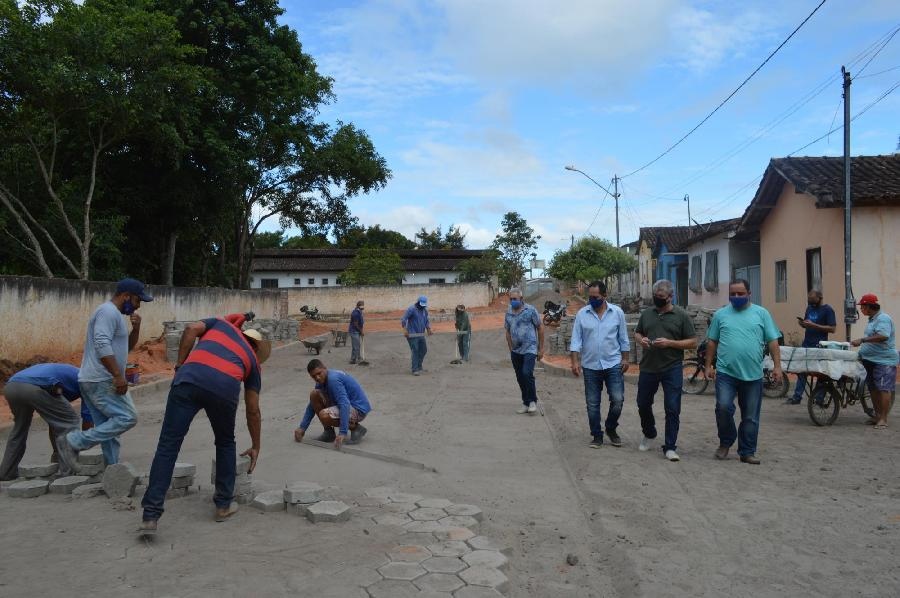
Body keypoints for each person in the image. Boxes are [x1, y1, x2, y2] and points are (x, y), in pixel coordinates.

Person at [139, 313, 269, 533]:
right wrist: (256, 445)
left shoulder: (220, 324)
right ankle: (223, 506)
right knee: (226, 442)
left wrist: (180, 366)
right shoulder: (253, 362)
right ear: (256, 348)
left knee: (168, 446)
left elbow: (190, 329)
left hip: (188, 379)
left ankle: (150, 516)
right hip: (224, 389)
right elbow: (253, 410)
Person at [56, 278, 152, 473]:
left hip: (95, 378)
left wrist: (136, 329)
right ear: (126, 296)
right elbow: (101, 344)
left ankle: (112, 470)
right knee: (127, 418)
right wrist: (118, 375)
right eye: (136, 300)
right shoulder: (107, 312)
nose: (138, 306)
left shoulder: (114, 315)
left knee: (108, 427)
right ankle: (73, 441)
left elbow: (126, 348)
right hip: (102, 379)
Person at [705, 279, 783, 465]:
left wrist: (777, 366)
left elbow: (773, 341)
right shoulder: (721, 315)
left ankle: (747, 452)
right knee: (723, 408)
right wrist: (708, 365)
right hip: (726, 372)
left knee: (750, 416)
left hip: (753, 374)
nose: (736, 297)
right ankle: (726, 441)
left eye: (740, 293)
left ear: (749, 294)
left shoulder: (761, 314)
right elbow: (712, 341)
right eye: (733, 294)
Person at [634, 280, 697, 461]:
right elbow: (638, 333)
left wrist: (670, 343)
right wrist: (641, 340)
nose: (657, 300)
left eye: (661, 297)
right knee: (643, 403)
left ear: (671, 297)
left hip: (672, 367)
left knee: (672, 407)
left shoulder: (681, 316)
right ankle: (649, 432)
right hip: (648, 367)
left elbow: (692, 341)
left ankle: (670, 446)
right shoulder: (647, 314)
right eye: (655, 296)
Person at [569, 281, 630, 448]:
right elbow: (576, 340)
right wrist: (574, 362)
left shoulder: (617, 313)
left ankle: (611, 428)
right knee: (593, 403)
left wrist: (625, 359)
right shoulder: (582, 314)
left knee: (617, 400)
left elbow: (623, 338)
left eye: (595, 297)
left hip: (613, 364)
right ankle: (596, 435)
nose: (592, 300)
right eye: (590, 297)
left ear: (604, 296)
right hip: (590, 366)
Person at [0, 363, 83, 480]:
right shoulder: (87, 380)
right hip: (35, 388)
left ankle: (6, 472)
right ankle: (68, 476)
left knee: (19, 429)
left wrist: (56, 452)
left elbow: (54, 421)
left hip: (11, 387)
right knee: (70, 421)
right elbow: (87, 416)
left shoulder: (70, 373)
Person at [294, 359, 372, 448]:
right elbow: (312, 404)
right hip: (347, 405)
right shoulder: (321, 381)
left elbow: (344, 404)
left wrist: (343, 432)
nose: (317, 378)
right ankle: (329, 433)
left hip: (358, 410)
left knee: (324, 415)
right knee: (314, 395)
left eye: (319, 373)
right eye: (314, 376)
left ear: (325, 368)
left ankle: (356, 428)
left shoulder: (333, 379)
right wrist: (302, 427)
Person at [851, 294, 897, 429]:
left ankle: (883, 418)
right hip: (870, 360)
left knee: (883, 388)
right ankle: (877, 415)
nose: (861, 309)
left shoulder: (883, 318)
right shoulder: (872, 320)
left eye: (862, 307)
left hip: (883, 360)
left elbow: (883, 336)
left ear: (869, 306)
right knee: (873, 388)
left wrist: (863, 340)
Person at [786, 289, 836, 404]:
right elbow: (807, 324)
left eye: (813, 300)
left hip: (820, 346)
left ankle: (819, 398)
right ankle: (797, 396)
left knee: (820, 372)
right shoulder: (809, 308)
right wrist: (803, 324)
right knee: (802, 370)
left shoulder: (827, 310)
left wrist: (814, 325)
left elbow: (832, 328)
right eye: (809, 300)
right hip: (807, 344)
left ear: (820, 298)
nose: (811, 302)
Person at [505, 288, 544, 415]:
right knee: (520, 377)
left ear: (521, 299)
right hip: (516, 351)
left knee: (527, 373)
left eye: (514, 299)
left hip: (530, 348)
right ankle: (525, 402)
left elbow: (540, 327)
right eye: (510, 299)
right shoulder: (509, 312)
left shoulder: (530, 310)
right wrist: (511, 349)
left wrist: (541, 348)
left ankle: (533, 401)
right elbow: (507, 331)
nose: (512, 301)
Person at [401, 295, 432, 376]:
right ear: (418, 302)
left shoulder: (424, 311)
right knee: (415, 350)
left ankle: (419, 365)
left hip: (421, 334)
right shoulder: (412, 309)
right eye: (421, 305)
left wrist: (428, 328)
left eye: (424, 305)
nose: (422, 306)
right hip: (412, 334)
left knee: (424, 350)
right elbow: (404, 318)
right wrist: (405, 329)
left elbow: (426, 321)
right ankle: (415, 369)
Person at [349, 300, 365, 364]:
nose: (364, 306)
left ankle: (357, 357)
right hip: (354, 331)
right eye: (362, 305)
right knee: (356, 346)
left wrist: (361, 330)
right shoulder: (355, 313)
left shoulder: (359, 312)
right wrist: (361, 331)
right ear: (359, 306)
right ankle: (353, 359)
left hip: (357, 331)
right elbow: (355, 324)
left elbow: (360, 322)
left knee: (357, 345)